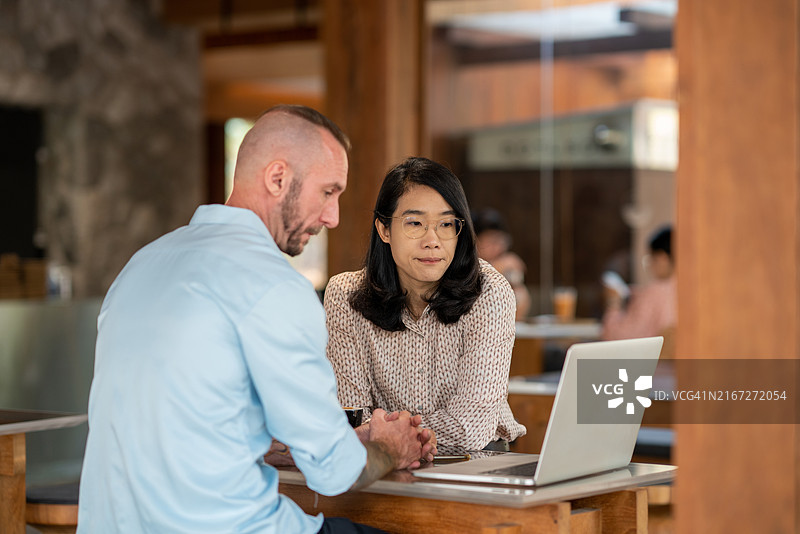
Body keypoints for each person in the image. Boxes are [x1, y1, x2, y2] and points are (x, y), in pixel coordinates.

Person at [77, 105, 435, 534]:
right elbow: (337, 476)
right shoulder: (273, 286)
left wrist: (297, 444)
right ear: (277, 178)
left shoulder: (141, 266)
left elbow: (181, 421)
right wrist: (389, 447)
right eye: (328, 192)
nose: (333, 217)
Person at [324, 157, 526, 455]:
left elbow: (469, 427)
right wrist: (386, 442)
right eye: (415, 223)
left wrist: (389, 438)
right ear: (384, 229)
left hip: (478, 462)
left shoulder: (490, 293)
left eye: (446, 224)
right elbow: (351, 415)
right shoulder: (346, 295)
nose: (432, 241)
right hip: (382, 466)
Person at [602, 225, 676, 352]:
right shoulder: (693, 290)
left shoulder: (654, 292)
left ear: (662, 258)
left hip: (651, 368)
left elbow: (618, 339)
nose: (650, 266)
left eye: (651, 259)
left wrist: (613, 304)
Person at [471, 208, 532, 320]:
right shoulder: (465, 268)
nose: (498, 247)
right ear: (474, 241)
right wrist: (495, 269)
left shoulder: (506, 267)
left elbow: (520, 307)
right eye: (492, 240)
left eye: (502, 240)